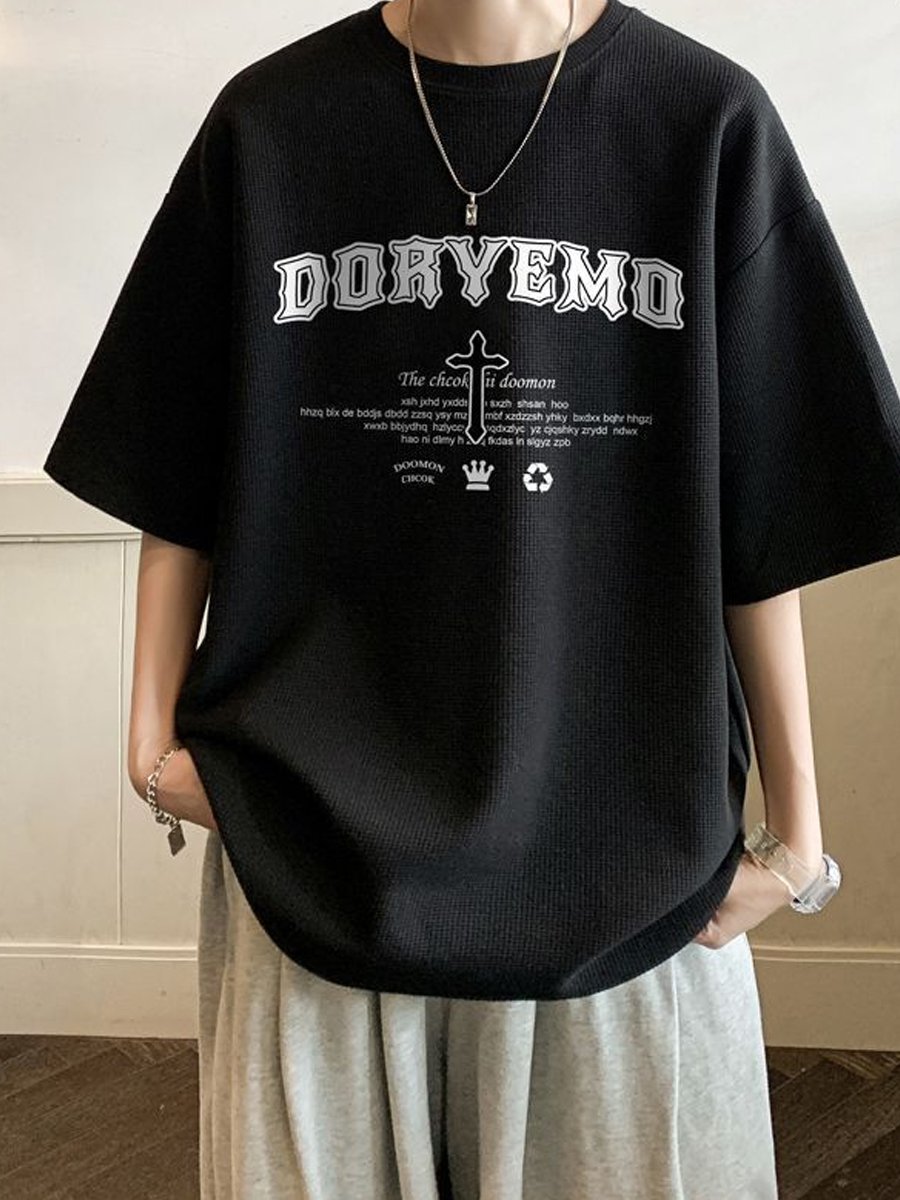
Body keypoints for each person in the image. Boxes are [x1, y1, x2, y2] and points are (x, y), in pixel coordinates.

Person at [42, 0, 900, 1196]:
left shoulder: (704, 122)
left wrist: (799, 835)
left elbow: (764, 505)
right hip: (310, 845)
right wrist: (148, 747)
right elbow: (171, 465)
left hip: (626, 850)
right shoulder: (271, 127)